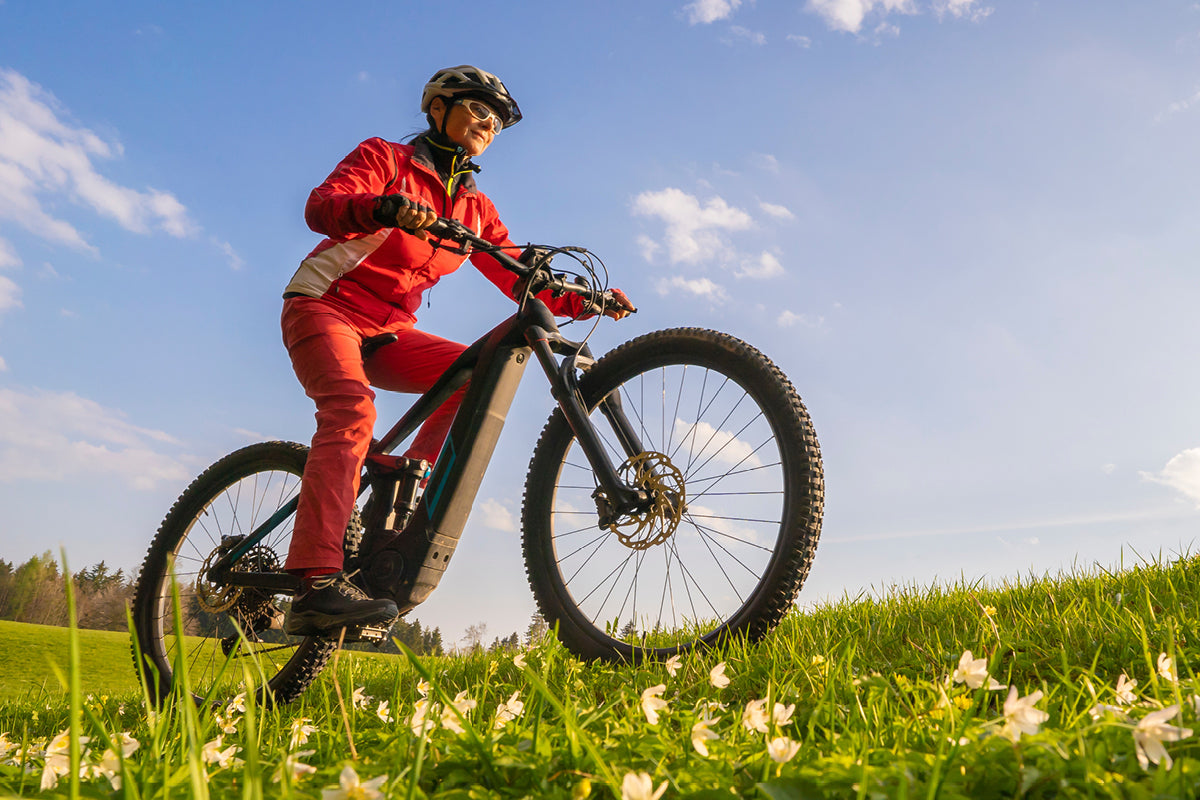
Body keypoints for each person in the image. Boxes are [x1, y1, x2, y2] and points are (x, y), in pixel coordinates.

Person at [280, 65, 634, 636]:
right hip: (325, 305)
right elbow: (322, 206)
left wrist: (585, 300)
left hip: (391, 330)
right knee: (351, 411)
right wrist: (383, 207)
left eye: (496, 121)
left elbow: (520, 276)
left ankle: (409, 487)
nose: (488, 123)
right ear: (439, 108)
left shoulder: (474, 208)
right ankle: (314, 584)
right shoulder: (385, 159)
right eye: (477, 109)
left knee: (475, 372)